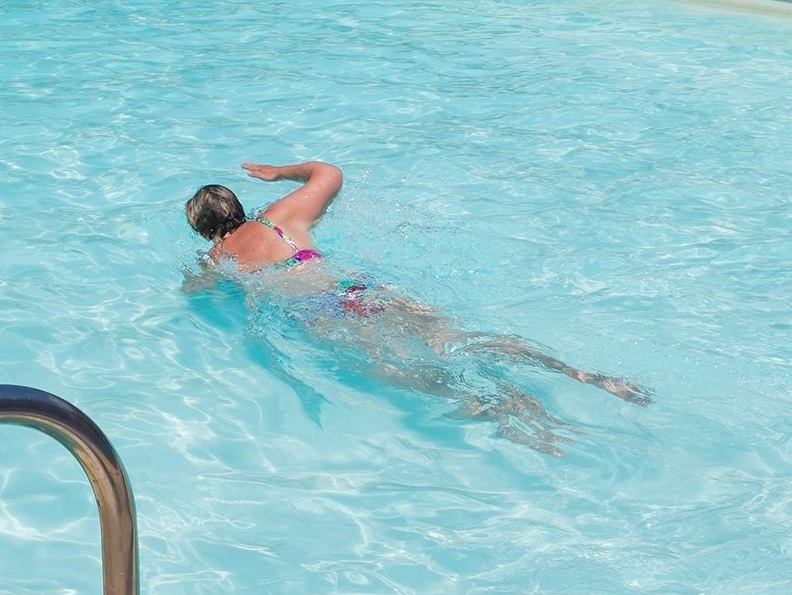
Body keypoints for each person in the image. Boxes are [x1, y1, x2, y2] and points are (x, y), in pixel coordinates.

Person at [185, 161, 649, 448]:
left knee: (413, 373)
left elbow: (198, 294)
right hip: (361, 290)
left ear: (206, 229)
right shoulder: (281, 216)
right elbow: (329, 172)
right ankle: (580, 374)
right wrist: (279, 173)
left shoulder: (219, 256)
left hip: (324, 314)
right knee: (467, 340)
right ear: (239, 207)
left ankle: (502, 408)